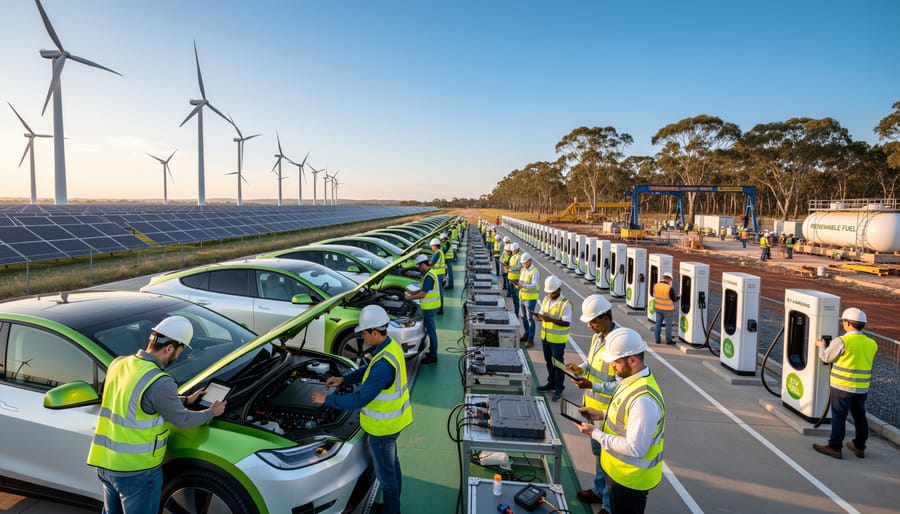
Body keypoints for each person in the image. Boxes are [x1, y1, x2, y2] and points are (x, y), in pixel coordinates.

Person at [87, 316, 226, 514]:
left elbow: (136, 400)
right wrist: (211, 412)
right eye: (180, 350)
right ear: (169, 348)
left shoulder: (119, 364)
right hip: (136, 472)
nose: (179, 355)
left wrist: (185, 399)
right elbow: (183, 420)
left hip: (107, 465)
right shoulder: (160, 380)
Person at [311, 305, 412, 514]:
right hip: (393, 423)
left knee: (386, 477)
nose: (363, 337)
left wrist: (326, 400)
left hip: (382, 429)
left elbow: (360, 398)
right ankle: (393, 507)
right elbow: (368, 370)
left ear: (375, 332)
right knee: (392, 467)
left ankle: (391, 511)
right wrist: (343, 379)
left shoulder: (384, 365)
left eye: (364, 333)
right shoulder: (389, 348)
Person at [576, 328, 666, 514]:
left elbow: (635, 448)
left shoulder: (644, 400)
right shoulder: (630, 381)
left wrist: (596, 433)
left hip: (631, 479)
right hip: (619, 472)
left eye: (615, 362)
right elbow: (622, 414)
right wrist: (600, 414)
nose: (612, 367)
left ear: (632, 360)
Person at [568, 294, 617, 514]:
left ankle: (608, 505)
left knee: (609, 460)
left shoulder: (618, 344)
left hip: (609, 413)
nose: (590, 326)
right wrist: (580, 368)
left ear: (606, 317)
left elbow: (620, 385)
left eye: (593, 321)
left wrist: (592, 385)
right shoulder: (598, 337)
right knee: (598, 455)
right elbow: (591, 362)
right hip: (592, 409)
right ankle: (598, 491)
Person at [812, 307, 878, 460]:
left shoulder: (842, 341)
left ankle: (834, 447)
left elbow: (826, 358)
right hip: (861, 388)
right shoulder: (871, 343)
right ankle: (859, 446)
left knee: (839, 417)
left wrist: (821, 346)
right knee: (860, 417)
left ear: (848, 323)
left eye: (843, 322)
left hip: (842, 387)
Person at [534, 275, 571, 401]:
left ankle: (559, 387)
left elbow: (566, 322)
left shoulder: (565, 304)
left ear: (559, 290)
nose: (551, 294)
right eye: (549, 292)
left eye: (553, 292)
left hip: (557, 341)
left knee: (558, 364)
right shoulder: (546, 299)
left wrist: (551, 320)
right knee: (549, 362)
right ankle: (551, 383)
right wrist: (538, 317)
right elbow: (542, 313)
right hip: (546, 337)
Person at [406, 254, 441, 364]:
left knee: (431, 332)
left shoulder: (429, 276)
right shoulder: (429, 274)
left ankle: (433, 356)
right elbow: (423, 289)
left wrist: (410, 297)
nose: (418, 268)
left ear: (422, 264)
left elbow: (423, 294)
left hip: (430, 308)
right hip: (430, 307)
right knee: (430, 331)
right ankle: (431, 352)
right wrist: (413, 292)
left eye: (418, 266)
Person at [516, 252, 540, 348]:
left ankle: (530, 339)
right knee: (523, 317)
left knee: (530, 319)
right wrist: (518, 284)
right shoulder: (523, 270)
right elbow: (521, 281)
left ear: (530, 261)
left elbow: (534, 284)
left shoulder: (535, 271)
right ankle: (526, 334)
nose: (523, 264)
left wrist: (523, 286)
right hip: (522, 296)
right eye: (523, 263)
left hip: (530, 298)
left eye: (525, 262)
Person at [653, 272, 678, 345]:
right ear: (669, 279)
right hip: (668, 310)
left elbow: (654, 295)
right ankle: (668, 340)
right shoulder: (669, 288)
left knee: (658, 324)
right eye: (670, 280)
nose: (670, 281)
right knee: (668, 325)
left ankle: (657, 339)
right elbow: (674, 299)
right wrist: (679, 296)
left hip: (658, 308)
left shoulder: (656, 285)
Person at [429, 237, 446, 314]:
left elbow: (431, 264)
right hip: (441, 274)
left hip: (438, 275)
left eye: (432, 246)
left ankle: (440, 309)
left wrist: (425, 263)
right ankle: (440, 308)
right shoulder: (440, 251)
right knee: (440, 292)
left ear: (435, 246)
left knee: (438, 293)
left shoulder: (436, 253)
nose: (431, 248)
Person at [507, 243, 522, 318]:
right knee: (513, 297)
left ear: (516, 249)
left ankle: (517, 313)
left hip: (516, 279)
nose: (512, 251)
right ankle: (515, 311)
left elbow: (519, 267)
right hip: (511, 278)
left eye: (513, 250)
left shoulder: (519, 257)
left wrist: (511, 268)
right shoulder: (513, 256)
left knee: (516, 298)